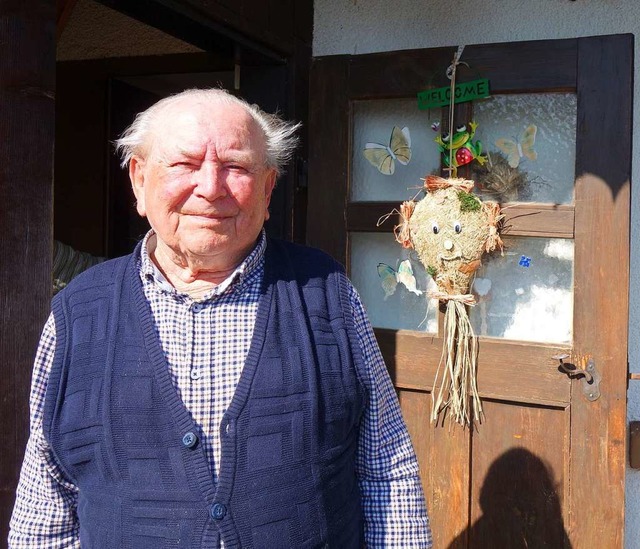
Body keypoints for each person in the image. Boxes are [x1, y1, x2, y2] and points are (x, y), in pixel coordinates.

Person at [9, 88, 432, 548]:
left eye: (236, 166)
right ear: (139, 181)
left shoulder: (328, 294)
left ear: (268, 189)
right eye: (185, 164)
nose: (211, 187)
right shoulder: (77, 312)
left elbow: (386, 469)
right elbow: (47, 501)